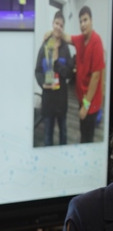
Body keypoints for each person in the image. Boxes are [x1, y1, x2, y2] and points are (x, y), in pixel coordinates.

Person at [34, 11, 73, 146]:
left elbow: (69, 73)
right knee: (47, 136)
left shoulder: (65, 49)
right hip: (48, 100)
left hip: (61, 100)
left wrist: (57, 63)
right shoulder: (44, 46)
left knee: (63, 134)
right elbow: (38, 70)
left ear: (63, 28)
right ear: (53, 24)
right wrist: (43, 83)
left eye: (61, 25)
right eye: (57, 23)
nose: (58, 27)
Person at [70, 7, 105, 143]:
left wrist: (85, 106)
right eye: (80, 21)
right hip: (82, 98)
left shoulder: (96, 41)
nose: (83, 24)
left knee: (87, 136)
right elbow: (67, 38)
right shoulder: (80, 39)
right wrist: (52, 32)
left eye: (85, 20)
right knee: (83, 129)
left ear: (91, 21)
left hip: (90, 102)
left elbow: (96, 77)